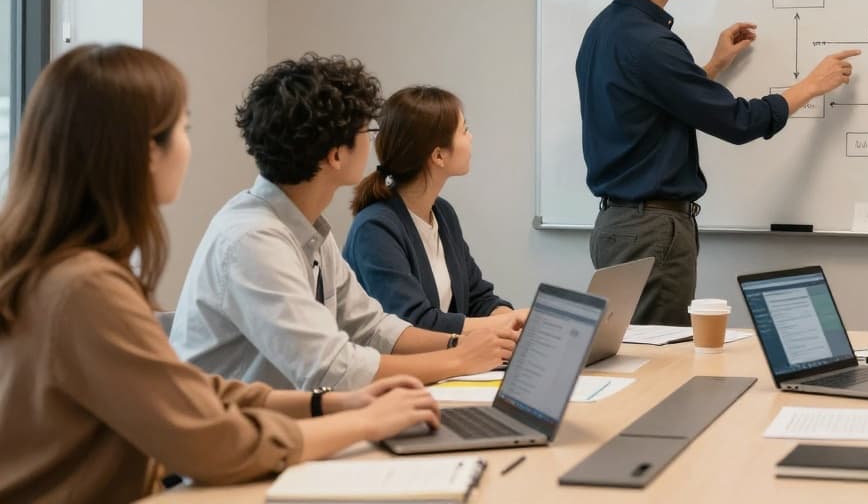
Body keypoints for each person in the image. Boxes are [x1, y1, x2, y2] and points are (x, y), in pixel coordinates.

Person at [0, 45, 442, 503]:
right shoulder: (84, 287)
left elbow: (188, 391)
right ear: (145, 151)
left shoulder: (62, 269)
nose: (188, 146)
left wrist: (326, 404)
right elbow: (210, 443)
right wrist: (361, 422)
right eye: (183, 129)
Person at [577, 0, 860, 324]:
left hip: (621, 227)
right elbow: (738, 122)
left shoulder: (606, 30)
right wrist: (811, 86)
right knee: (655, 364)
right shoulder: (650, 43)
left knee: (636, 357)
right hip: (652, 232)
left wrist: (711, 67)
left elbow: (651, 110)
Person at [172, 54, 517, 391]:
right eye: (366, 131)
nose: (374, 144)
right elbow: (330, 369)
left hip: (281, 425)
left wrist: (464, 344)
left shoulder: (308, 230)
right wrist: (460, 358)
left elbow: (373, 328)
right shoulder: (253, 241)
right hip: (235, 439)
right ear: (336, 155)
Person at [344, 85, 526, 334]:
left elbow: (478, 297)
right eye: (465, 130)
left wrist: (512, 321)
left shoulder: (443, 213)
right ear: (438, 156)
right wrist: (502, 324)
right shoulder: (375, 229)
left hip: (446, 367)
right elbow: (414, 323)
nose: (471, 138)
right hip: (401, 370)